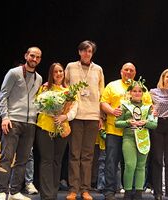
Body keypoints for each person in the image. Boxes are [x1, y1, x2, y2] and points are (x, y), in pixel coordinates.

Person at [0, 46, 42, 200]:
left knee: (22, 160)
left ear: (40, 60)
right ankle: (1, 190)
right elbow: (3, 96)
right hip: (13, 121)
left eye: (37, 57)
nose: (34, 59)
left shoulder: (39, 78)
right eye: (32, 56)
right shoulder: (14, 73)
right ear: (26, 56)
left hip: (30, 124)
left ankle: (14, 191)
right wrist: (5, 117)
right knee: (6, 157)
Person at [100, 62, 152, 200]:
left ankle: (131, 190)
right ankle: (110, 191)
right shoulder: (112, 85)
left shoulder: (141, 87)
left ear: (135, 73)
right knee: (111, 161)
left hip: (136, 132)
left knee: (131, 164)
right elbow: (103, 102)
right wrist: (112, 111)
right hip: (114, 129)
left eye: (131, 70)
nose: (128, 72)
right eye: (126, 70)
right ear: (121, 71)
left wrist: (146, 121)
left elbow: (149, 107)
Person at [65, 40, 105, 200]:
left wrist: (101, 116)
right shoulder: (71, 67)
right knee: (74, 154)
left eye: (89, 51)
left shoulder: (98, 69)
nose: (87, 54)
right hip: (75, 114)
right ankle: (73, 189)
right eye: (84, 51)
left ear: (92, 54)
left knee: (88, 155)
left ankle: (85, 189)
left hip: (93, 115)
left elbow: (101, 93)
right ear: (79, 52)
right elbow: (65, 87)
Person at [35, 62, 76, 200]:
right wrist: (50, 110)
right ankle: (46, 195)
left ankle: (53, 193)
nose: (59, 74)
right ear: (51, 74)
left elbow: (74, 110)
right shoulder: (45, 88)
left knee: (57, 161)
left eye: (61, 71)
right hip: (45, 127)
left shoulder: (69, 92)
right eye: (56, 72)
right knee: (47, 160)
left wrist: (64, 116)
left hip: (62, 129)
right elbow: (38, 105)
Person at [115, 78, 157, 200]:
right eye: (134, 91)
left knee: (141, 166)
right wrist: (128, 122)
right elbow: (118, 123)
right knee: (130, 164)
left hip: (143, 138)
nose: (137, 93)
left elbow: (154, 124)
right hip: (129, 138)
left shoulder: (149, 107)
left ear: (143, 93)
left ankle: (138, 192)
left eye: (140, 91)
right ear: (130, 92)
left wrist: (145, 123)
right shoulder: (124, 105)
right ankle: (128, 192)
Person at [149, 68, 168, 200]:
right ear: (163, 78)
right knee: (156, 158)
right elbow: (148, 108)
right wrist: (151, 112)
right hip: (157, 125)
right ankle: (158, 192)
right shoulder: (153, 92)